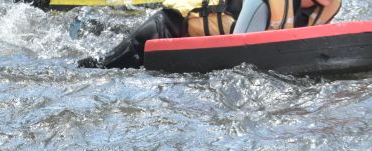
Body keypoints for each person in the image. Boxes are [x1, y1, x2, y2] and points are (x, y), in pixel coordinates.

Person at [77, 0, 341, 69]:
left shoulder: (324, 8)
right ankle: (84, 26)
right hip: (165, 30)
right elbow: (239, 48)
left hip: (189, 43)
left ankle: (95, 27)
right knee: (99, 68)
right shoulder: (264, 1)